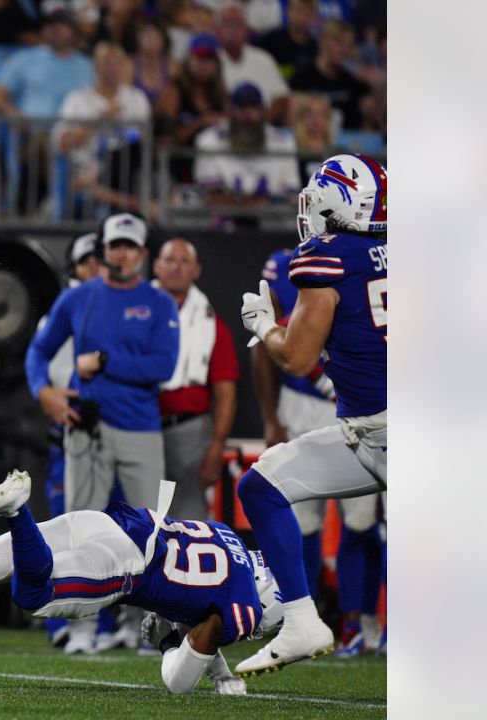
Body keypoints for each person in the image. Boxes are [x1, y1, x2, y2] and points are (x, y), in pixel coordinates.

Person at [0, 471, 281, 697]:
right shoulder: (245, 607)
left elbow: (203, 606)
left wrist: (220, 673)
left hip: (108, 523)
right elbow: (182, 679)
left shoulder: (228, 536)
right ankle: (18, 511)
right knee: (32, 595)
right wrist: (167, 644)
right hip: (125, 563)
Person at [234, 153, 387, 675]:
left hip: (382, 430)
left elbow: (296, 357)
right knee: (261, 485)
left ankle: (305, 617)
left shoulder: (328, 255)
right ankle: (303, 622)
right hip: (373, 432)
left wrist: (264, 327)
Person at [23, 212, 179, 652]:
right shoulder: (80, 298)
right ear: (104, 250)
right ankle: (83, 630)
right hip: (87, 429)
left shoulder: (159, 302)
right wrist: (45, 393)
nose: (121, 254)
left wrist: (107, 362)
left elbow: (162, 366)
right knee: (82, 529)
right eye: (115, 246)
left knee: (149, 533)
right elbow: (39, 349)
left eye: (130, 246)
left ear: (143, 254)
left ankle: (147, 628)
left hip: (140, 428)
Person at [252, 247, 385, 657]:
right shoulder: (313, 258)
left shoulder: (333, 260)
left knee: (363, 521)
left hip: (362, 409)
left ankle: (355, 621)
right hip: (326, 405)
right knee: (300, 517)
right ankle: (309, 618)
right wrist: (270, 416)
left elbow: (291, 349)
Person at [33, 231, 99, 648]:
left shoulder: (117, 302)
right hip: (72, 428)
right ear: (74, 268)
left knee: (109, 529)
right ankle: (60, 618)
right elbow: (45, 366)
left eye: (101, 259)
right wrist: (52, 394)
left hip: (112, 429)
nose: (95, 267)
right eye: (87, 260)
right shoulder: (68, 308)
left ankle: (107, 624)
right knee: (67, 527)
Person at [151, 239, 239, 520]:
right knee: (139, 515)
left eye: (184, 261)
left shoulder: (211, 323)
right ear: (156, 266)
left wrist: (215, 449)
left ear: (196, 270)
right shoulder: (133, 312)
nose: (177, 267)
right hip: (139, 423)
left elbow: (226, 393)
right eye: (170, 259)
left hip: (189, 433)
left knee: (188, 520)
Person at [53, 43, 153, 218]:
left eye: (118, 63)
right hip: (85, 167)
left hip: (124, 169)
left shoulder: (136, 99)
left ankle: (110, 194)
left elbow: (142, 141)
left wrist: (124, 130)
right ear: (96, 67)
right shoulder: (77, 99)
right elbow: (63, 144)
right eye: (107, 63)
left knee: (129, 151)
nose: (113, 68)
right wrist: (97, 123)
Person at [193, 83, 300, 205]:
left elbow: (291, 191)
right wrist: (245, 204)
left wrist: (265, 204)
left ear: (263, 111)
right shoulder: (208, 140)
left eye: (253, 108)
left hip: (271, 216)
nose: (248, 115)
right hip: (224, 216)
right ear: (230, 111)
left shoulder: (284, 141)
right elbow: (210, 194)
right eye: (241, 108)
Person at [0, 9, 93, 121]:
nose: (55, 28)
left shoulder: (87, 65)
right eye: (49, 24)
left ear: (74, 31)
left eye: (62, 24)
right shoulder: (24, 58)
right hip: (35, 131)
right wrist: (14, 115)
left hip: (76, 132)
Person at [215, 2, 289, 125]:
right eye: (227, 24)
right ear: (216, 30)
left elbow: (281, 97)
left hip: (263, 126)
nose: (232, 30)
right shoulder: (210, 60)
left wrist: (262, 121)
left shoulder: (263, 59)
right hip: (225, 128)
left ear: (247, 29)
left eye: (238, 24)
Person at [290, 21, 373, 129]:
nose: (345, 50)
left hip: (349, 141)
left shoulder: (354, 79)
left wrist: (375, 85)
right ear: (323, 42)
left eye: (349, 45)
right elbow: (294, 118)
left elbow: (369, 120)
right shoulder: (302, 76)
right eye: (339, 43)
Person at [257, 0, 319, 81]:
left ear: (313, 16)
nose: (299, 17)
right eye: (296, 11)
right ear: (287, 11)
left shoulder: (315, 47)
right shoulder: (271, 39)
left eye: (305, 13)